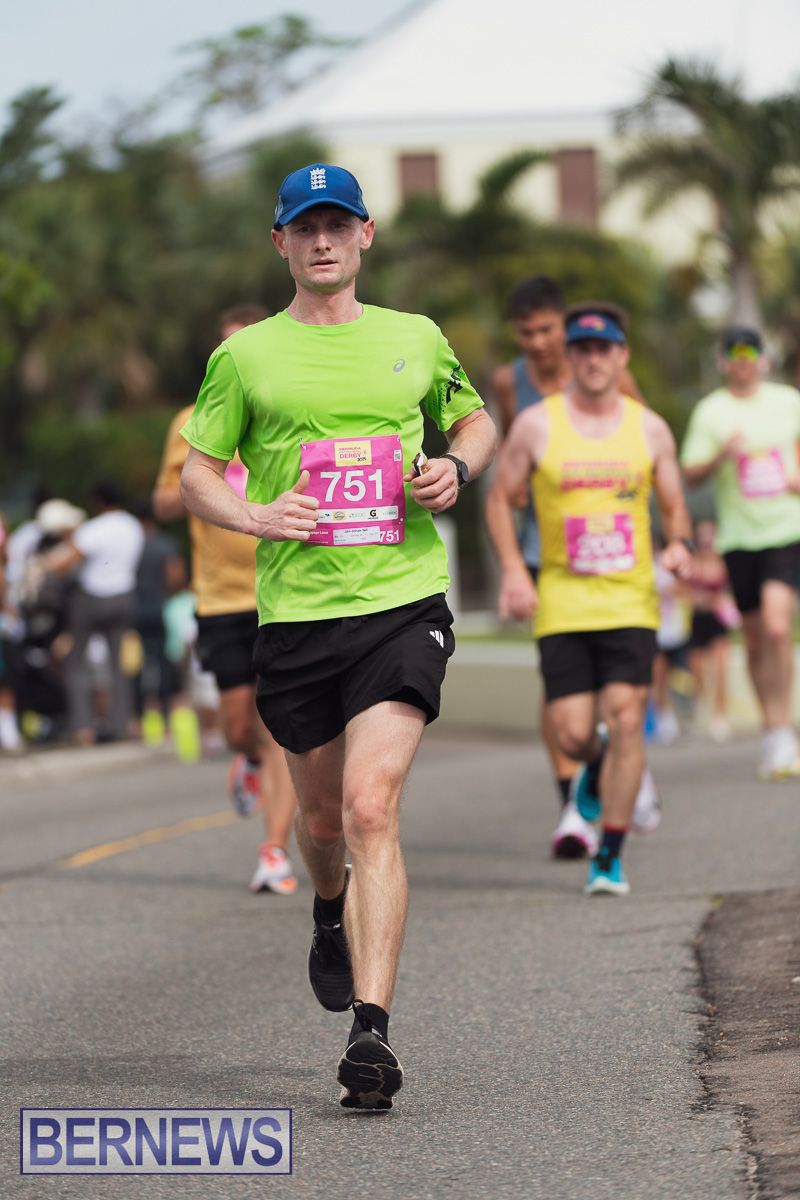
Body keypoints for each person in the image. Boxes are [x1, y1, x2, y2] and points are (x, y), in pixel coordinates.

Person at [179, 163, 496, 1109]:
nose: (323, 241)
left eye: (338, 224)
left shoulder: (415, 336)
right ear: (280, 241)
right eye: (305, 227)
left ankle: (372, 1032)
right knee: (321, 825)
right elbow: (198, 474)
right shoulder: (246, 357)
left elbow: (476, 422)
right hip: (298, 617)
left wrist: (455, 469)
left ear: (366, 236)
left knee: (369, 808)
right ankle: (328, 909)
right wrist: (255, 514)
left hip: (402, 603)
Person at [486, 302, 692, 896]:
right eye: (582, 349)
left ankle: (610, 854)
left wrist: (679, 543)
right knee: (574, 733)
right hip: (563, 600)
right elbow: (500, 497)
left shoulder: (649, 428)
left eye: (604, 349)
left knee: (627, 719)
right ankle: (594, 768)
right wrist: (513, 572)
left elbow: (673, 501)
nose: (594, 359)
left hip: (630, 600)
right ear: (569, 357)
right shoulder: (538, 424)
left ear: (622, 355)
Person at [153, 303, 298, 894]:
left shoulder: (290, 407)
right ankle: (248, 758)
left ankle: (273, 851)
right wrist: (201, 486)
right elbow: (165, 499)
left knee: (278, 726)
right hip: (218, 597)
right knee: (239, 725)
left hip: (283, 591)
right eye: (224, 346)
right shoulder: (193, 419)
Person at [681, 326, 800, 779]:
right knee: (753, 638)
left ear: (763, 359)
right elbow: (690, 473)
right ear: (723, 361)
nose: (743, 361)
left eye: (751, 353)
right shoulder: (711, 411)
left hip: (786, 530)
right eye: (735, 354)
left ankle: (783, 727)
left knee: (777, 626)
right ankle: (772, 730)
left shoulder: (787, 401)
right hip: (738, 538)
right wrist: (721, 457)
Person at [57, 483, 144, 745]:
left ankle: (83, 726)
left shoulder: (94, 528)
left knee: (76, 661)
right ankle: (121, 723)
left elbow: (67, 561)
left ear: (97, 501)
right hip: (124, 596)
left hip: (92, 597)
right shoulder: (133, 526)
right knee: (119, 663)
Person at [686, 519, 737, 743]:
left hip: (717, 620)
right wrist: (694, 598)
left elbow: (733, 589)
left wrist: (719, 599)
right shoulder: (692, 562)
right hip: (697, 619)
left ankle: (720, 715)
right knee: (697, 670)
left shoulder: (724, 562)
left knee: (720, 670)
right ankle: (701, 708)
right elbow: (679, 590)